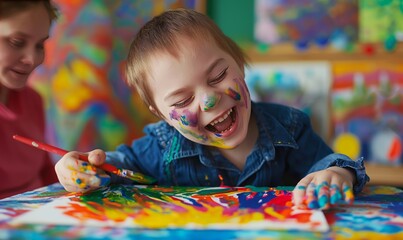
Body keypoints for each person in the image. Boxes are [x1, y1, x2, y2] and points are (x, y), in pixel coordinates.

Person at [55, 9, 369, 209]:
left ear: (239, 62)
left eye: (218, 76)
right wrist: (85, 169)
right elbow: (120, 168)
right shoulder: (162, 146)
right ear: (161, 113)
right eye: (181, 102)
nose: (208, 101)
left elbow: (328, 164)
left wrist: (337, 173)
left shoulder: (289, 127)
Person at [0, 0, 59, 199]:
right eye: (17, 42)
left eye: (40, 45)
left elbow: (45, 171)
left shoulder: (32, 100)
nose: (31, 59)